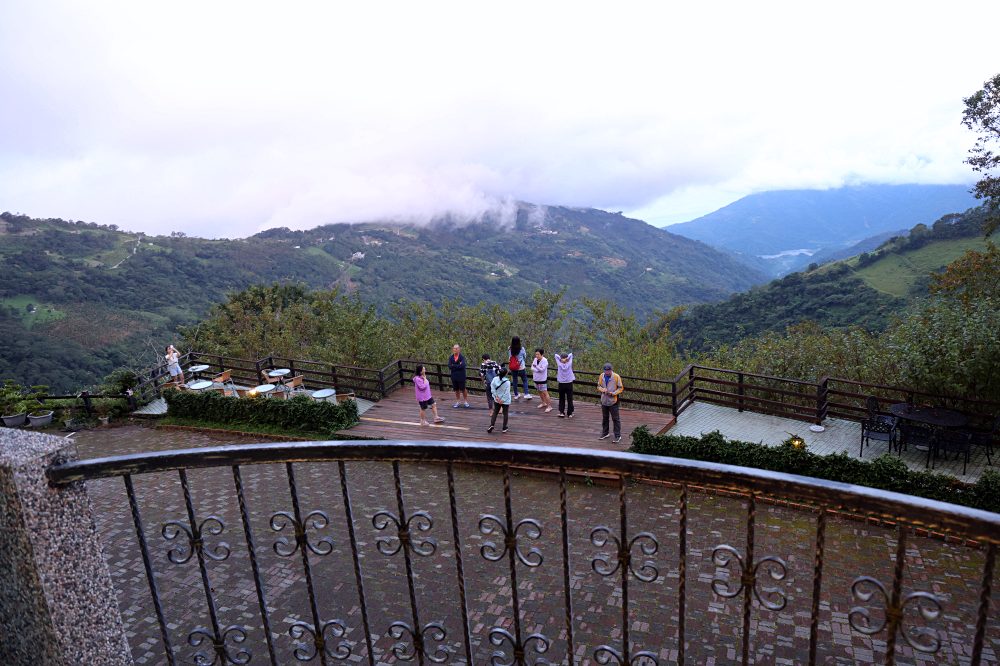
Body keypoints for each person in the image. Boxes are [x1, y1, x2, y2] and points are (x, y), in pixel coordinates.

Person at [597, 362, 624, 443]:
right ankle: (605, 433)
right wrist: (603, 390)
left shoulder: (616, 377)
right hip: (604, 401)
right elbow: (598, 386)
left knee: (615, 419)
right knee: (605, 418)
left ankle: (617, 436)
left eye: (608, 371)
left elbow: (621, 388)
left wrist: (613, 393)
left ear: (611, 370)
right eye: (606, 371)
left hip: (613, 401)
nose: (607, 372)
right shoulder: (601, 376)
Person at [487, 367, 512, 433]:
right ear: (506, 374)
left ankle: (491, 425)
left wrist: (496, 397)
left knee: (495, 412)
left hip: (497, 399)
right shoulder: (507, 382)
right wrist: (502, 400)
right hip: (505, 400)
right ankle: (504, 428)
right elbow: (507, 392)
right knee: (505, 413)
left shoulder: (495, 379)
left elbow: (492, 388)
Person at [508, 336, 530, 400]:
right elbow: (525, 356)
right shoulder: (522, 349)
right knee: (524, 380)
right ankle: (526, 394)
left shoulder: (509, 348)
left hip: (513, 368)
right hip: (521, 367)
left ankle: (516, 395)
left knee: (515, 381)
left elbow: (510, 358)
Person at [531, 348, 553, 412]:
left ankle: (549, 406)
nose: (536, 356)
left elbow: (542, 370)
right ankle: (543, 403)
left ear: (542, 354)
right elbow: (532, 368)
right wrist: (537, 369)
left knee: (545, 392)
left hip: (542, 379)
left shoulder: (545, 361)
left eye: (538, 354)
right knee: (539, 391)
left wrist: (536, 367)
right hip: (536, 378)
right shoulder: (535, 359)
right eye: (536, 354)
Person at [555, 352, 575, 418]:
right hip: (569, 383)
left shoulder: (559, 364)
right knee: (570, 398)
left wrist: (561, 359)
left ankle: (561, 412)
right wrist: (567, 359)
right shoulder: (569, 363)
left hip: (561, 384)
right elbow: (571, 354)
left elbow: (556, 355)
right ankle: (570, 413)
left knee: (561, 398)